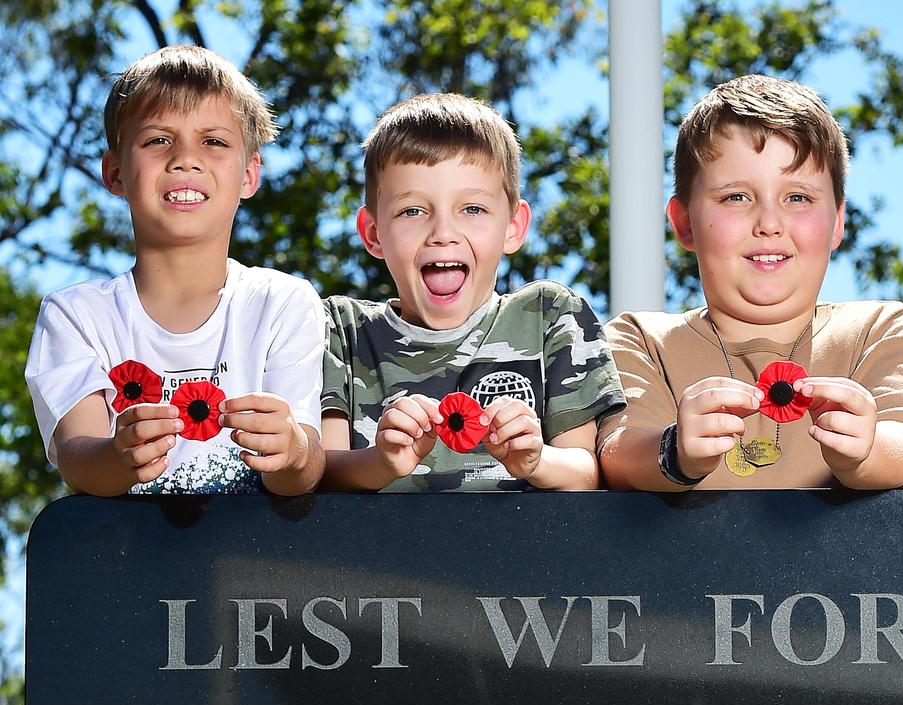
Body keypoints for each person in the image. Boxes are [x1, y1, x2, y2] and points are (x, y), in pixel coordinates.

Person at [598, 74, 903, 490]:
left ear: (838, 221)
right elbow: (615, 453)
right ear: (684, 222)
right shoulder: (640, 340)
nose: (769, 224)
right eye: (735, 197)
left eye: (798, 197)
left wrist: (868, 453)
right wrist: (675, 451)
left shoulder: (883, 329)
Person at [25, 45, 325, 496]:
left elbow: (305, 469)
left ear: (249, 175)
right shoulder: (75, 316)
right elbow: (78, 457)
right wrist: (117, 454)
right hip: (129, 561)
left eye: (214, 141)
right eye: (157, 140)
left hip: (260, 560)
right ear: (115, 173)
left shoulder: (284, 302)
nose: (185, 158)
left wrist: (295, 451)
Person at [320, 93, 625, 492]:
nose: (443, 234)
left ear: (513, 226)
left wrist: (537, 459)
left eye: (473, 209)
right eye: (412, 210)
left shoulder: (549, 316)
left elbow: (587, 474)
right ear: (373, 233)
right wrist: (381, 462)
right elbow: (320, 474)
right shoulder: (341, 330)